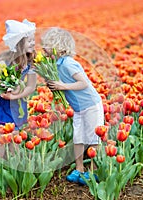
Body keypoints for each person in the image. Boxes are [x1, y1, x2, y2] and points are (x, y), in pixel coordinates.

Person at [41, 27, 104, 185]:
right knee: (78, 137)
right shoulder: (55, 64)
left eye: (46, 45)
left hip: (91, 105)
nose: (42, 48)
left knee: (92, 138)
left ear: (58, 46)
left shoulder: (69, 64)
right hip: (78, 108)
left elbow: (83, 83)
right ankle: (79, 169)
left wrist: (63, 86)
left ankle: (94, 171)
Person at [0, 19, 37, 158]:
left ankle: (15, 164)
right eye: (29, 41)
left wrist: (16, 95)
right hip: (1, 100)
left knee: (16, 133)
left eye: (33, 40)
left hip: (17, 101)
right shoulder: (4, 60)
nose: (33, 43)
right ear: (19, 44)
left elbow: (31, 86)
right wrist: (7, 90)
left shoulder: (31, 61)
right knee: (2, 134)